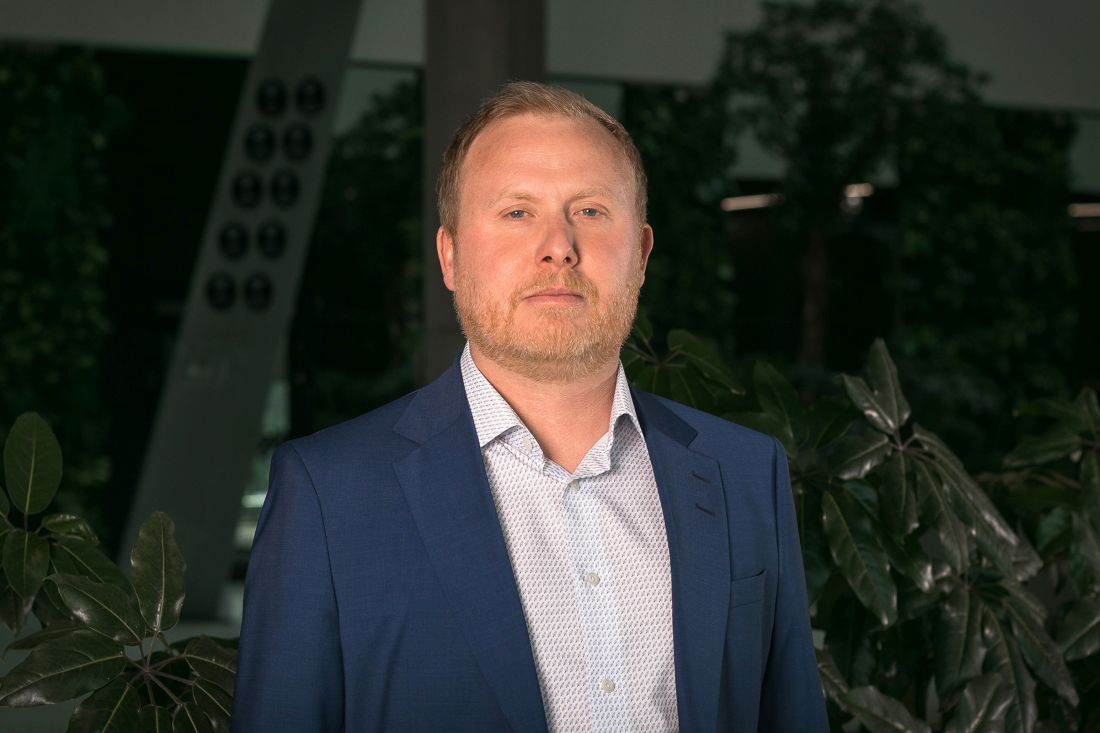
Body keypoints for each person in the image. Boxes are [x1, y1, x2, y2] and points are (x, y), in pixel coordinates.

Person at [232, 81, 827, 732]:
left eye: (591, 211)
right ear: (450, 256)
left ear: (641, 255)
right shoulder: (328, 495)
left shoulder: (746, 473)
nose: (558, 245)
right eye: (517, 212)